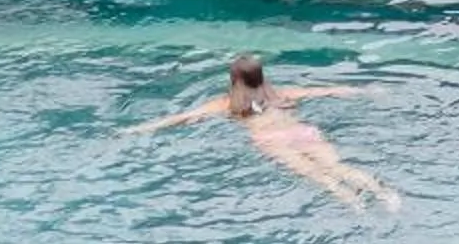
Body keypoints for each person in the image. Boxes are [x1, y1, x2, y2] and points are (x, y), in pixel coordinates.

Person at [122, 53, 398, 211]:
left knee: (318, 176)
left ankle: (355, 205)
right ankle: (386, 195)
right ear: (261, 76)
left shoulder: (228, 104)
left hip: (271, 140)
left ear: (235, 80)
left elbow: (183, 118)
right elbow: (327, 90)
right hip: (301, 131)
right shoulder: (282, 94)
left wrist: (138, 129)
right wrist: (365, 90)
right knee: (337, 166)